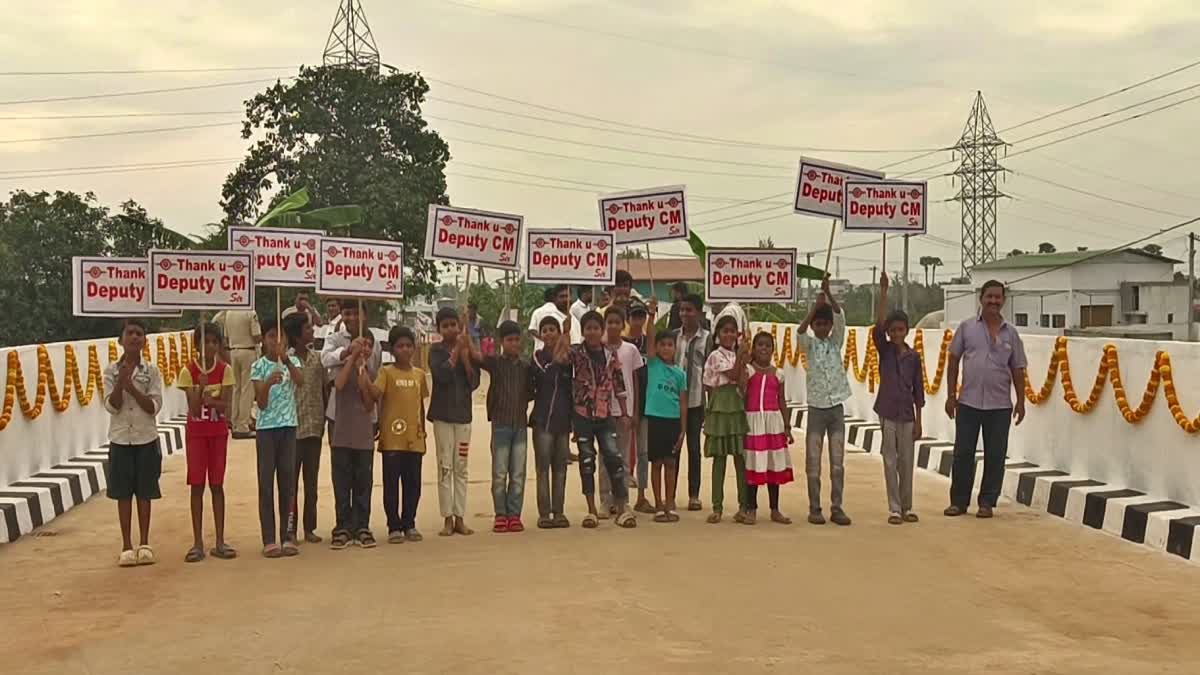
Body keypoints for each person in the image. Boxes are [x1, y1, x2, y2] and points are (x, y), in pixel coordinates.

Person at [944, 280, 1028, 519]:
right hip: (968, 402)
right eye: (989, 296)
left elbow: (1018, 369)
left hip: (1000, 405)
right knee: (963, 453)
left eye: (997, 297)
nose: (993, 301)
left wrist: (1021, 401)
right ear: (980, 299)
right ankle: (958, 502)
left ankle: (987, 502)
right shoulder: (966, 328)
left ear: (1004, 300)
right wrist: (951, 396)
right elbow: (953, 362)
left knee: (995, 455)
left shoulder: (1011, 333)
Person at [103, 319, 164, 567]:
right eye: (130, 333)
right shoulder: (110, 371)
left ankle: (145, 542)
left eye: (140, 333)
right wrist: (121, 383)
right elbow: (111, 405)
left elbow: (153, 407)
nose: (135, 337)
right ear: (121, 339)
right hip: (120, 438)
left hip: (145, 437)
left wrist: (133, 388)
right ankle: (127, 544)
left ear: (145, 341)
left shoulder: (152, 371)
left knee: (145, 492)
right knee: (123, 494)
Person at [570, 311, 637, 529]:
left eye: (595, 328)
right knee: (587, 461)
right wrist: (563, 333)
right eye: (587, 328)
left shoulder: (611, 355)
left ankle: (622, 508)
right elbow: (559, 358)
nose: (592, 332)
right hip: (582, 416)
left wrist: (625, 413)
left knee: (615, 460)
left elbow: (620, 387)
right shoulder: (576, 353)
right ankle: (591, 510)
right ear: (582, 331)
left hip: (605, 415)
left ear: (602, 330)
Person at [176, 321, 236, 563]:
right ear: (197, 345)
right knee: (197, 486)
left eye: (214, 342)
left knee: (217, 485)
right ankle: (198, 542)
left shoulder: (225, 370)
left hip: (218, 432)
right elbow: (192, 409)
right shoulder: (189, 371)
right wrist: (200, 390)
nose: (210, 346)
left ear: (219, 345)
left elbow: (227, 407)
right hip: (197, 434)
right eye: (205, 342)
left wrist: (213, 402)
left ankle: (220, 540)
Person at [797, 276, 853, 526]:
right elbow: (799, 331)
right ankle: (815, 507)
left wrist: (828, 294)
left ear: (830, 327)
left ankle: (837, 506)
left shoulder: (835, 342)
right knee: (813, 463)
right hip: (817, 409)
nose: (821, 328)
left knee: (838, 463)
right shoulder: (808, 345)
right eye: (818, 324)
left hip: (836, 408)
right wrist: (812, 310)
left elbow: (840, 317)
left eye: (824, 324)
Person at [872, 275, 926, 525]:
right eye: (892, 330)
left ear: (907, 330)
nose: (895, 334)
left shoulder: (914, 357)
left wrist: (919, 421)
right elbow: (878, 326)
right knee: (890, 459)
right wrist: (884, 292)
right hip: (887, 412)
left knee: (906, 461)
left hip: (907, 415)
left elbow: (919, 391)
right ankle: (894, 507)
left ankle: (907, 506)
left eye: (900, 330)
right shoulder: (885, 350)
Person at [368, 326, 429, 543]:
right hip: (392, 438)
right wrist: (361, 372)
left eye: (408, 346)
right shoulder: (386, 373)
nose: (405, 350)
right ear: (392, 350)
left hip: (415, 439)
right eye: (400, 346)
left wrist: (423, 431)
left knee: (413, 484)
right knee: (391, 484)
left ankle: (409, 523)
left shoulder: (420, 375)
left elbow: (420, 405)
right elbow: (375, 394)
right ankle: (394, 525)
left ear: (414, 348)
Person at [250, 318, 303, 558]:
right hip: (266, 429)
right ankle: (269, 537)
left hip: (289, 427)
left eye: (280, 336)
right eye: (271, 336)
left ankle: (288, 534)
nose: (276, 341)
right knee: (266, 483)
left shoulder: (294, 362)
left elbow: (300, 381)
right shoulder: (259, 366)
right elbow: (260, 404)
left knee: (288, 481)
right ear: (264, 340)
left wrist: (288, 360)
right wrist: (268, 384)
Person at [428, 307, 482, 537]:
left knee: (461, 466)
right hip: (442, 417)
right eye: (445, 325)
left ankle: (460, 517)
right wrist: (455, 353)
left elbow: (474, 382)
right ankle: (447, 518)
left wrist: (466, 357)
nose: (450, 329)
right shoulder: (435, 351)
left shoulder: (468, 349)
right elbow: (441, 376)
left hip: (463, 417)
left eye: (454, 325)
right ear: (439, 328)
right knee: (445, 467)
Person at [481, 320, 533, 533]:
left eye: (516, 339)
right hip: (501, 424)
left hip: (520, 425)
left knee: (518, 473)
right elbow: (476, 358)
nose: (514, 343)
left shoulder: (526, 367)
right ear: (501, 342)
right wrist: (465, 336)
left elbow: (530, 392)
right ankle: (500, 514)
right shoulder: (495, 364)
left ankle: (514, 514)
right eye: (509, 340)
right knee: (500, 472)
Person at [329, 328, 378, 550]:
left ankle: (362, 526)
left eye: (368, 345)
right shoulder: (342, 366)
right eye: (361, 343)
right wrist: (350, 360)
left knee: (363, 484)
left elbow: (370, 404)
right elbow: (338, 385)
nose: (364, 348)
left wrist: (364, 380)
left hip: (364, 437)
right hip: (341, 435)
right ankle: (343, 527)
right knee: (342, 484)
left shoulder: (373, 371)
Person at [743, 332, 795, 526]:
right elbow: (742, 391)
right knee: (754, 465)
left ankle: (775, 509)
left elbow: (782, 401)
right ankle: (751, 508)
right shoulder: (748, 371)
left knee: (773, 464)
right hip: (753, 423)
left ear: (773, 349)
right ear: (754, 349)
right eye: (760, 345)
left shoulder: (779, 374)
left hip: (773, 424)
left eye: (767, 345)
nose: (764, 348)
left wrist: (787, 427)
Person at [703, 316, 751, 524]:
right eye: (725, 331)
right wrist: (741, 357)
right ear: (718, 334)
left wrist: (741, 358)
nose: (729, 335)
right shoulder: (716, 355)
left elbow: (741, 382)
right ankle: (717, 507)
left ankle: (743, 505)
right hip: (721, 404)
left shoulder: (738, 356)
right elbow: (732, 375)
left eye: (733, 331)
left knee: (741, 459)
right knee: (720, 460)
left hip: (737, 405)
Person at [598, 307, 644, 519]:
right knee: (605, 458)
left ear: (623, 323)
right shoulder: (598, 350)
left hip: (625, 411)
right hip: (604, 411)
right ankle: (605, 500)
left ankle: (622, 500)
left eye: (618, 322)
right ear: (605, 324)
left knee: (623, 458)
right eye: (610, 322)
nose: (614, 326)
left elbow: (635, 380)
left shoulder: (631, 350)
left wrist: (634, 412)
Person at [284, 313, 325, 545]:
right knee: (291, 484)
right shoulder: (286, 360)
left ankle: (310, 527)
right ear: (297, 335)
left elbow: (323, 391)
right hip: (293, 428)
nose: (312, 331)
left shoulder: (316, 359)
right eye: (307, 328)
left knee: (311, 483)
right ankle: (290, 528)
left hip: (314, 427)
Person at [530, 315, 574, 529]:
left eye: (552, 329)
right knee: (543, 468)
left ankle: (559, 511)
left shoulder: (571, 358)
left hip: (563, 420)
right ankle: (544, 513)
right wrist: (564, 338)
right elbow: (547, 374)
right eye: (544, 330)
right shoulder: (538, 357)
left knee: (560, 469)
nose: (548, 333)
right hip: (542, 420)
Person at [671, 293, 711, 511]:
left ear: (699, 312)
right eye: (682, 310)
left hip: (696, 400)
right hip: (673, 401)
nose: (684, 314)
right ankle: (670, 493)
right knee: (673, 448)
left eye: (689, 310)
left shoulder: (707, 338)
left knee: (694, 449)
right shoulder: (673, 337)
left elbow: (711, 369)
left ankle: (694, 495)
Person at [320, 300, 382, 439]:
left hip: (366, 414)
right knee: (339, 458)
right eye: (347, 314)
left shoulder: (375, 345)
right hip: (338, 413)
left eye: (357, 313)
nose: (352, 318)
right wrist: (348, 351)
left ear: (365, 316)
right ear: (341, 315)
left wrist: (379, 418)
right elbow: (325, 360)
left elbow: (377, 378)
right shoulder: (334, 339)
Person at [643, 332, 687, 523]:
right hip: (655, 420)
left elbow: (683, 403)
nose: (666, 348)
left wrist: (683, 429)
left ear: (675, 348)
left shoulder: (680, 374)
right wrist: (651, 315)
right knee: (657, 463)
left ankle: (670, 502)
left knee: (671, 463)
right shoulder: (653, 365)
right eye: (663, 345)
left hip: (673, 421)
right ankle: (658, 503)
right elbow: (649, 340)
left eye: (670, 345)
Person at [626, 299, 656, 513]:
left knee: (644, 452)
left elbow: (653, 352)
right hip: (625, 403)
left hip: (646, 404)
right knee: (624, 452)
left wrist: (653, 316)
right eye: (634, 316)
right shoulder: (622, 342)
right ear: (628, 318)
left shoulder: (649, 343)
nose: (638, 320)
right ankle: (621, 497)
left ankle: (642, 496)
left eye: (641, 316)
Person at [214, 308, 261, 439]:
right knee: (248, 390)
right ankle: (243, 425)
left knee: (236, 389)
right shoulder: (250, 312)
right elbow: (256, 336)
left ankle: (235, 422)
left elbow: (226, 337)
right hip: (248, 351)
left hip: (233, 351)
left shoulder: (228, 313)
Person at [528, 284, 572, 350]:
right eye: (562, 296)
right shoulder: (561, 315)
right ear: (555, 298)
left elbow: (532, 329)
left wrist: (543, 338)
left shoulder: (536, 312)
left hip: (540, 351)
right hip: (558, 351)